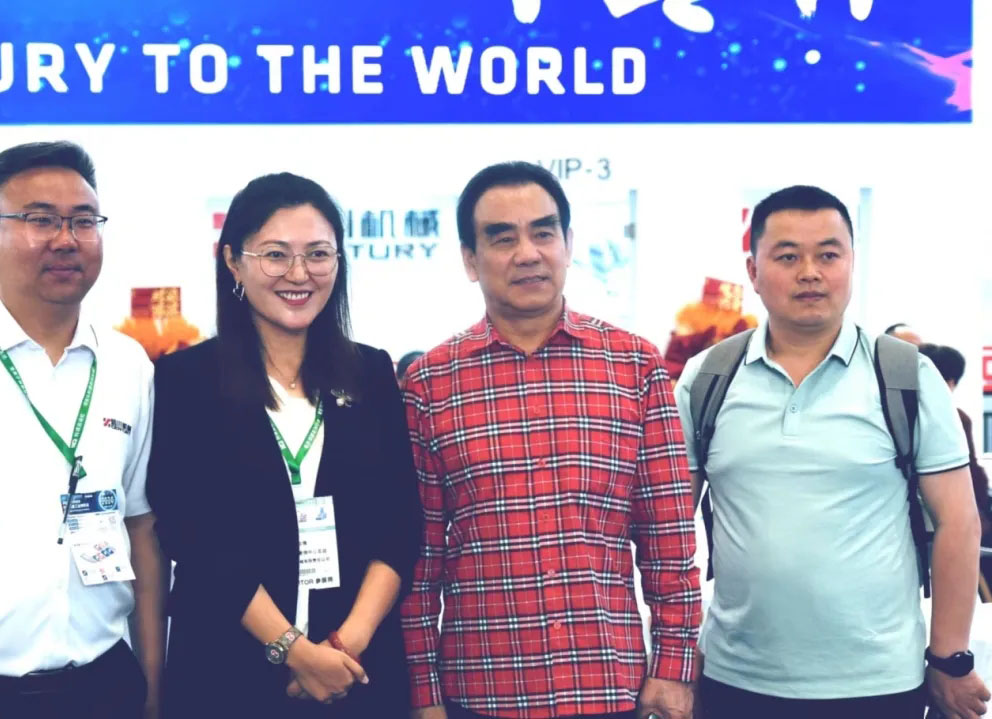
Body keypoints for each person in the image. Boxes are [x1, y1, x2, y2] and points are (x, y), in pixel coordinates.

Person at [400, 162, 701, 719]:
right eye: (502, 238)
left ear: (568, 244)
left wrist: (673, 668)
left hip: (609, 690)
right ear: (470, 259)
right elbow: (421, 561)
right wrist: (424, 694)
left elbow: (669, 538)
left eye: (543, 232)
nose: (528, 253)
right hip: (480, 694)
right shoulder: (430, 384)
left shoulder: (634, 367)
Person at [675, 185, 990, 719]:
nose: (810, 273)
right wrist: (677, 656)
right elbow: (669, 528)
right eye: (787, 256)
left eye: (828, 255)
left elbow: (958, 522)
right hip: (736, 677)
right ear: (753, 271)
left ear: (851, 262)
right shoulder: (707, 378)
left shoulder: (906, 376)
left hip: (880, 683)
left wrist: (949, 657)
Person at [146, 172, 422, 717]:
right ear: (233, 261)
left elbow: (399, 524)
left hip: (358, 672)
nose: (299, 274)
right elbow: (193, 533)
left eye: (318, 254)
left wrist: (343, 647)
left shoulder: (371, 372)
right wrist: (295, 652)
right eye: (275, 255)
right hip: (227, 674)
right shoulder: (186, 378)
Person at [0, 141, 166, 718]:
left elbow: (140, 525)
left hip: (101, 687)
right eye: (41, 219)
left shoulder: (128, 365)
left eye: (83, 221)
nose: (66, 239)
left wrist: (152, 689)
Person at [919, 343, 992, 588]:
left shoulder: (896, 412)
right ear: (949, 382)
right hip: (945, 518)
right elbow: (971, 472)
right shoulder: (955, 417)